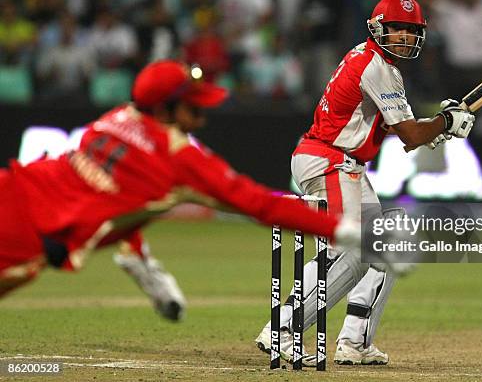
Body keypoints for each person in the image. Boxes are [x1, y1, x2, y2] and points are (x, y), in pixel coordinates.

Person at [0, 60, 364, 300]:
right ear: (164, 110)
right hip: (24, 237)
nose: (203, 117)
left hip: (12, 186)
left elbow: (121, 201)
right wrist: (342, 231)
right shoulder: (180, 159)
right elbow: (260, 204)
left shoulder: (113, 118)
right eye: (194, 108)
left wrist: (140, 260)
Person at [255, 0, 475, 365]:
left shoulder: (369, 58)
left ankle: (355, 340)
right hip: (329, 160)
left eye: (411, 30)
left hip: (341, 161)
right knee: (355, 249)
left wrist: (435, 127)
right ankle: (281, 329)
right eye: (397, 29)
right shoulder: (378, 67)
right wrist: (445, 123)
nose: (404, 37)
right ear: (378, 28)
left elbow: (396, 130)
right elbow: (410, 135)